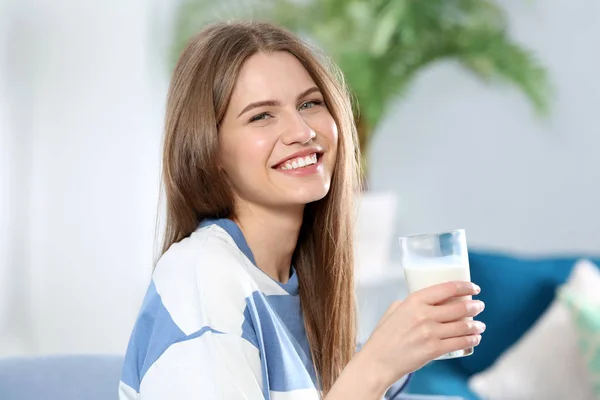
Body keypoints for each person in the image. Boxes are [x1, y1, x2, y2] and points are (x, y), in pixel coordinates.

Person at [118, 21, 486, 400]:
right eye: (262, 115)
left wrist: (394, 359)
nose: (302, 131)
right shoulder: (200, 275)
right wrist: (377, 365)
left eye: (310, 104)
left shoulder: (298, 290)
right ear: (210, 154)